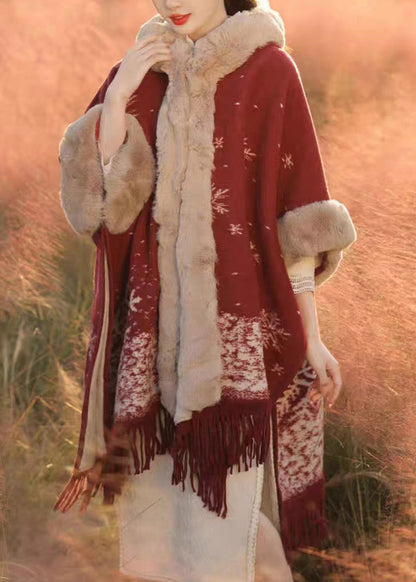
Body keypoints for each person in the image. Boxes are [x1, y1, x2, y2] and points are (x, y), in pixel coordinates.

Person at [54, 0, 357, 580]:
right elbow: (103, 213)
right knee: (163, 550)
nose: (170, 3)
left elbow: (297, 222)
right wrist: (117, 99)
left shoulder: (271, 71)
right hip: (149, 353)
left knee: (238, 542)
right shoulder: (144, 67)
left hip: (231, 353)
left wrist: (312, 338)